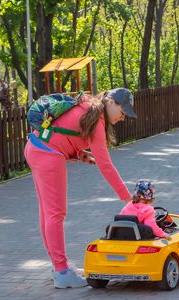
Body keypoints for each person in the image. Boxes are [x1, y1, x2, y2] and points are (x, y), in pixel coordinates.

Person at [24, 88, 137, 289]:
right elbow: (106, 165)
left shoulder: (89, 108)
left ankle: (59, 266)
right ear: (111, 102)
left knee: (48, 213)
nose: (123, 117)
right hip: (48, 155)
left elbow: (64, 131)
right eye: (123, 110)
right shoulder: (97, 121)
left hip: (37, 148)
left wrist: (79, 154)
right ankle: (61, 272)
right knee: (55, 213)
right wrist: (127, 197)